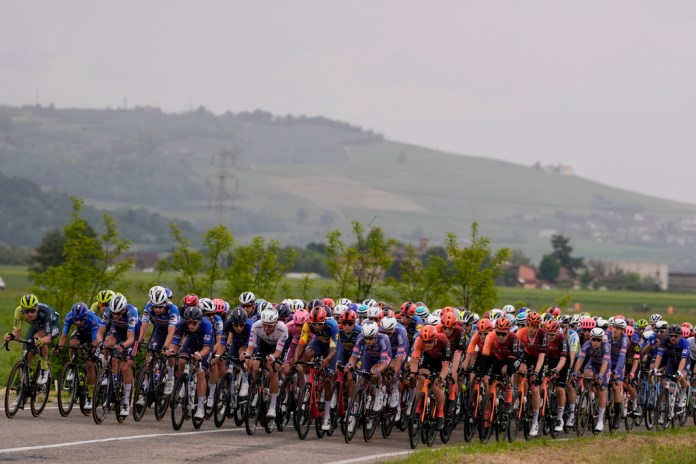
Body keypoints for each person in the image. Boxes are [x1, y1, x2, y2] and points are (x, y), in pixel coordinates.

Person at [96, 294, 141, 417]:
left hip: (132, 335)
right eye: (113, 313)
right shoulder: (109, 311)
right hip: (118, 330)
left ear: (124, 309)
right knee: (107, 344)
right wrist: (101, 343)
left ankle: (126, 401)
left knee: (126, 366)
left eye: (118, 314)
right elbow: (99, 332)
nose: (115, 316)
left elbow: (131, 339)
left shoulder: (131, 313)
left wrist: (122, 347)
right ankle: (109, 374)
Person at [164, 306, 213, 420]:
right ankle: (183, 382)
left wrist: (199, 355)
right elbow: (175, 343)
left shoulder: (206, 324)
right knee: (181, 360)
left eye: (194, 323)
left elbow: (206, 349)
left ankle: (200, 406)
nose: (191, 326)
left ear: (199, 321)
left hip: (205, 346)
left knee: (200, 373)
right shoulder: (182, 324)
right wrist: (171, 351)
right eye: (189, 323)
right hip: (191, 341)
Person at [53, 302, 101, 410]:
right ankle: (72, 366)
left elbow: (95, 341)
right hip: (82, 333)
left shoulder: (92, 318)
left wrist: (91, 351)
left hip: (95, 334)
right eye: (76, 320)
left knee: (89, 364)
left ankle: (90, 397)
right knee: (73, 344)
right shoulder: (69, 316)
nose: (78, 322)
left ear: (85, 316)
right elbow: (64, 335)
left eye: (81, 320)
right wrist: (59, 348)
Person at [5, 294, 61, 386]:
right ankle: (24, 389)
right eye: (26, 311)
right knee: (26, 356)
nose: (29, 314)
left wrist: (42, 341)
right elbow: (17, 333)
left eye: (32, 311)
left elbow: (48, 337)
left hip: (53, 325)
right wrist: (10, 336)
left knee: (38, 337)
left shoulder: (45, 312)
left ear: (37, 307)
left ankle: (44, 368)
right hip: (36, 326)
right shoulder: (18, 311)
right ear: (22, 310)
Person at [244, 308, 288, 419]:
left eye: (270, 326)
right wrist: (246, 354)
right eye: (265, 325)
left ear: (276, 322)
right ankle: (256, 390)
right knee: (255, 365)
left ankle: (272, 406)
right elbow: (250, 348)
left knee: (273, 369)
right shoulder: (256, 325)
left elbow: (278, 352)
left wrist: (273, 357)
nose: (266, 328)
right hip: (264, 344)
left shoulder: (283, 329)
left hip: (278, 348)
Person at [138, 285, 180, 396]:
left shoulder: (173, 309)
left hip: (174, 332)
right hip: (160, 330)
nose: (157, 309)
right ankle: (147, 381)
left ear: (165, 303)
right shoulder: (149, 306)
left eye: (160, 307)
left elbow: (171, 332)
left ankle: (170, 377)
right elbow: (144, 325)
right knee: (151, 352)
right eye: (155, 307)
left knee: (170, 352)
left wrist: (165, 347)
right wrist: (139, 340)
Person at [407, 325, 451, 430]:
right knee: (421, 377)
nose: (426, 344)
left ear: (435, 339)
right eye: (425, 342)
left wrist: (441, 378)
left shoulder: (444, 341)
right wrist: (413, 373)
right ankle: (418, 405)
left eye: (429, 342)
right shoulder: (419, 341)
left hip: (442, 360)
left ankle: (440, 412)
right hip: (428, 359)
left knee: (437, 385)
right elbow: (415, 360)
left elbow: (445, 366)